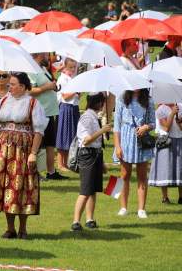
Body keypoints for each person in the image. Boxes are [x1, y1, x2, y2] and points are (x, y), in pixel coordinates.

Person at [0, 72, 48, 239]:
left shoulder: (32, 103)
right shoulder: (4, 101)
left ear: (23, 87)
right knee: (5, 186)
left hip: (22, 149)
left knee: (21, 186)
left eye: (12, 84)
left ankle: (23, 229)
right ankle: (10, 228)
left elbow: (39, 131)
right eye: (9, 84)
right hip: (3, 149)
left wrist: (33, 153)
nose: (9, 87)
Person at [71, 93, 111, 231]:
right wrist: (102, 131)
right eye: (103, 103)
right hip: (87, 155)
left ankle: (90, 219)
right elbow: (86, 140)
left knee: (93, 190)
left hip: (95, 155)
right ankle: (76, 221)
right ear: (99, 103)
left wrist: (102, 162)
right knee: (85, 190)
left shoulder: (94, 116)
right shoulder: (87, 118)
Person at [114, 89, 155, 219]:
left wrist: (146, 127)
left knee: (142, 176)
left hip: (141, 140)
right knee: (124, 175)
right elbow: (116, 126)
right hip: (125, 140)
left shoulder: (148, 100)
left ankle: (141, 209)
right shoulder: (121, 99)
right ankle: (123, 207)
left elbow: (153, 122)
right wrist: (117, 146)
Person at [29, 53, 68, 180]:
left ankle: (51, 172)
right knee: (37, 145)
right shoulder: (31, 70)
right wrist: (48, 86)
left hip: (50, 111)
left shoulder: (43, 68)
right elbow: (30, 90)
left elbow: (48, 84)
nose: (48, 56)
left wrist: (53, 85)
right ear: (39, 55)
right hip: (40, 112)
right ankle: (35, 173)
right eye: (45, 54)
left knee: (50, 144)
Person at [149, 103, 182, 204]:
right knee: (164, 168)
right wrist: (172, 113)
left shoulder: (180, 106)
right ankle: (165, 197)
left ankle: (181, 197)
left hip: (180, 140)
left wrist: (179, 122)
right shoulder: (160, 110)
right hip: (165, 141)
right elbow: (166, 128)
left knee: (180, 169)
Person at [56, 58, 80, 171]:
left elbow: (76, 97)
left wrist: (79, 92)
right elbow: (65, 96)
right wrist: (75, 91)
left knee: (71, 135)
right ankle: (60, 163)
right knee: (63, 135)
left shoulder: (72, 78)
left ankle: (66, 162)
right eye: (70, 67)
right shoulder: (62, 79)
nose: (73, 69)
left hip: (74, 108)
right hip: (66, 108)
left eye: (74, 67)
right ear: (64, 67)